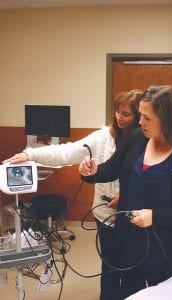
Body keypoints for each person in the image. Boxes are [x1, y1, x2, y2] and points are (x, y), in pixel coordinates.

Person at [3, 89, 143, 300]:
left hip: (135, 218)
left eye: (126, 114)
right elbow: (67, 152)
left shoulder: (147, 140)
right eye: (117, 112)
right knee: (110, 267)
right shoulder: (104, 136)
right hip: (105, 216)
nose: (119, 118)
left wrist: (128, 199)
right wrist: (29, 154)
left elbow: (151, 182)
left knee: (133, 269)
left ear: (139, 116)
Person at [79, 85, 172, 299]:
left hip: (166, 249)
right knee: (130, 293)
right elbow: (112, 168)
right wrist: (92, 172)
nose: (140, 122)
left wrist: (155, 216)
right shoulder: (136, 138)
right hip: (129, 244)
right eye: (141, 116)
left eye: (147, 118)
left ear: (167, 119)